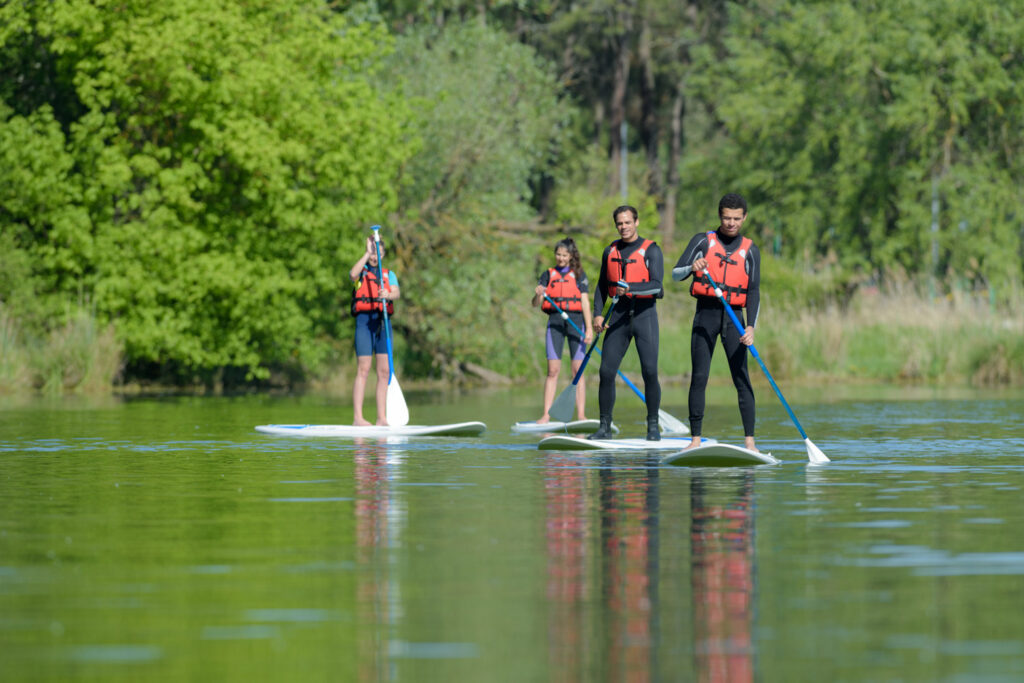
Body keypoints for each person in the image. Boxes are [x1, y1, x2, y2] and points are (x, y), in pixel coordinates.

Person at [672, 193, 762, 452]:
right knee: (699, 377)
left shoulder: (750, 249)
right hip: (706, 316)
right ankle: (695, 440)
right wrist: (692, 267)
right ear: (719, 216)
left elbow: (754, 291)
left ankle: (750, 443)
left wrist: (750, 327)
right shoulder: (702, 241)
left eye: (736, 218)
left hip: (735, 318)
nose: (731, 223)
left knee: (742, 378)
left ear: (744, 217)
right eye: (726, 218)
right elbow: (676, 273)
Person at [589, 205, 664, 441]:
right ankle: (604, 428)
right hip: (618, 317)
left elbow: (658, 288)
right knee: (606, 372)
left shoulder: (651, 250)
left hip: (645, 316)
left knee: (650, 371)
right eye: (619, 223)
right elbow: (602, 286)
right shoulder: (609, 251)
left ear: (636, 222)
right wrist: (598, 314)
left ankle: (652, 426)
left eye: (627, 222)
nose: (623, 227)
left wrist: (631, 288)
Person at [532, 237, 595, 423]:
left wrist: (589, 328)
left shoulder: (579, 275)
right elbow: (535, 304)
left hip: (576, 321)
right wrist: (538, 295)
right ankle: (546, 414)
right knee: (553, 370)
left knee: (578, 370)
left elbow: (584, 302)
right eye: (558, 254)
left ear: (571, 256)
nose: (560, 258)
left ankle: (581, 415)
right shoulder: (547, 274)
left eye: (564, 255)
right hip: (555, 322)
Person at [349, 236, 400, 426]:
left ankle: (381, 418)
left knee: (384, 371)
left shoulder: (389, 275)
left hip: (383, 323)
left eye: (378, 253)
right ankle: (358, 418)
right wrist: (367, 252)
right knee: (363, 369)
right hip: (364, 323)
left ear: (383, 254)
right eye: (373, 253)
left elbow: (396, 292)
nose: (375, 257)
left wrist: (388, 294)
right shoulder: (361, 273)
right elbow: (352, 275)